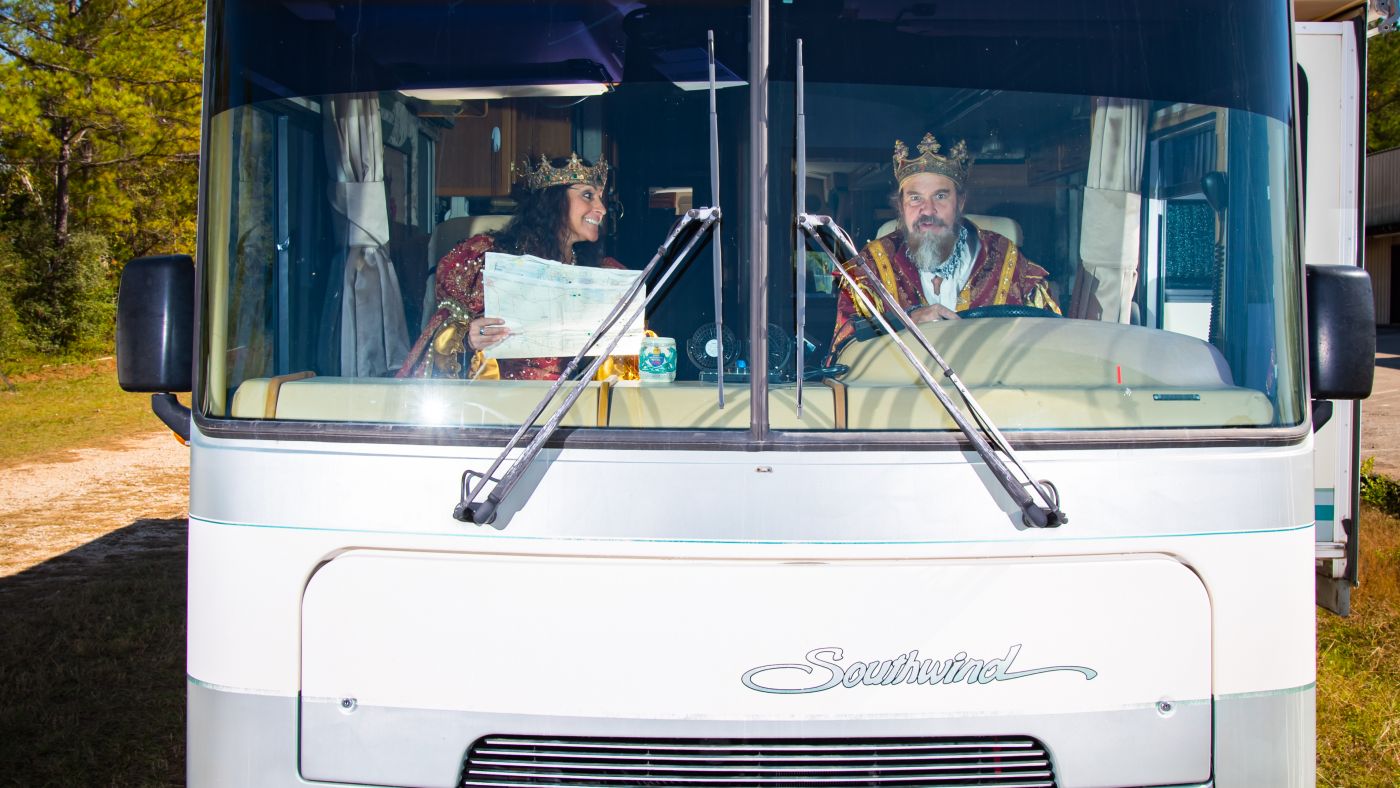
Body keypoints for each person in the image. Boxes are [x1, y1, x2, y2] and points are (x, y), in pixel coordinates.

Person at [398, 153, 627, 380]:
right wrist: (468, 339)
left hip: (574, 399)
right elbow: (439, 338)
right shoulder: (486, 260)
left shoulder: (602, 275)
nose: (601, 208)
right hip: (502, 398)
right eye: (587, 195)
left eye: (600, 198)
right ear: (553, 200)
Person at [829, 133, 1060, 357]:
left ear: (960, 202)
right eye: (915, 198)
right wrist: (907, 321)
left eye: (940, 196)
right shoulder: (869, 269)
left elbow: (1048, 347)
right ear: (901, 206)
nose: (928, 210)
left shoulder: (1007, 260)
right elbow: (846, 350)